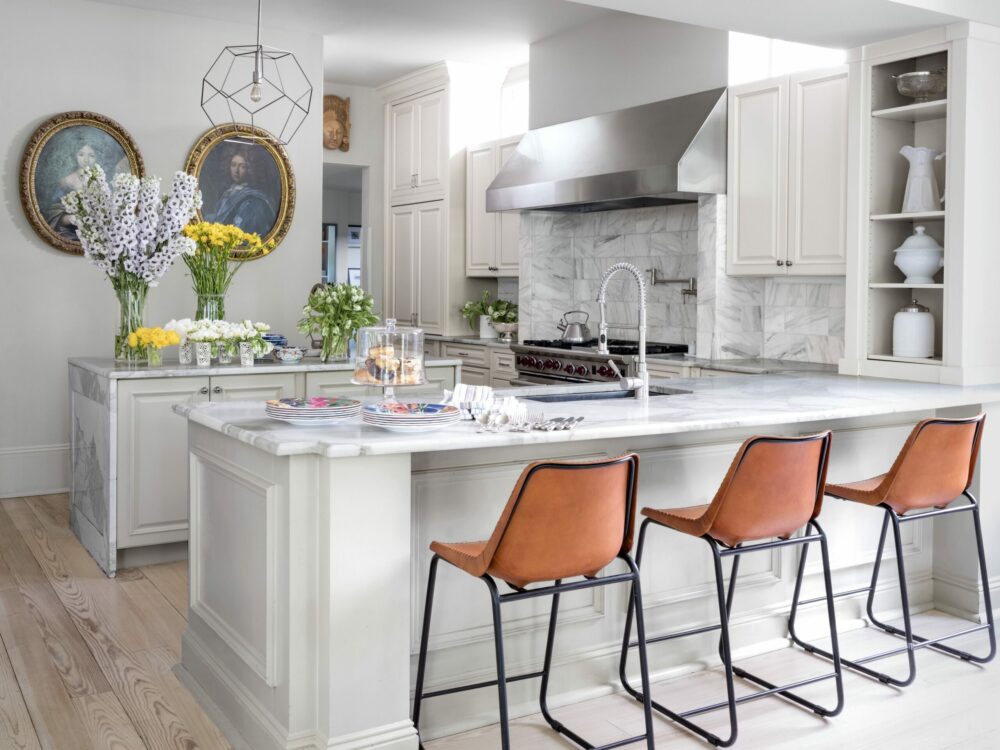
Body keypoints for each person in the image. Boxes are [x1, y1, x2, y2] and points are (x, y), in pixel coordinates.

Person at [206, 148, 277, 237]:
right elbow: (220, 218)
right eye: (233, 165)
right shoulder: (230, 192)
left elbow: (242, 231)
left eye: (242, 166)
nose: (236, 170)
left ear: (250, 169)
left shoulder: (253, 200)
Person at [45, 140, 98, 240]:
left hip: (95, 233)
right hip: (69, 233)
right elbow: (52, 212)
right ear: (75, 156)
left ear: (97, 158)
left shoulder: (100, 182)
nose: (86, 160)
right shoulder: (65, 183)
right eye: (81, 154)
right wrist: (69, 219)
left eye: (91, 155)